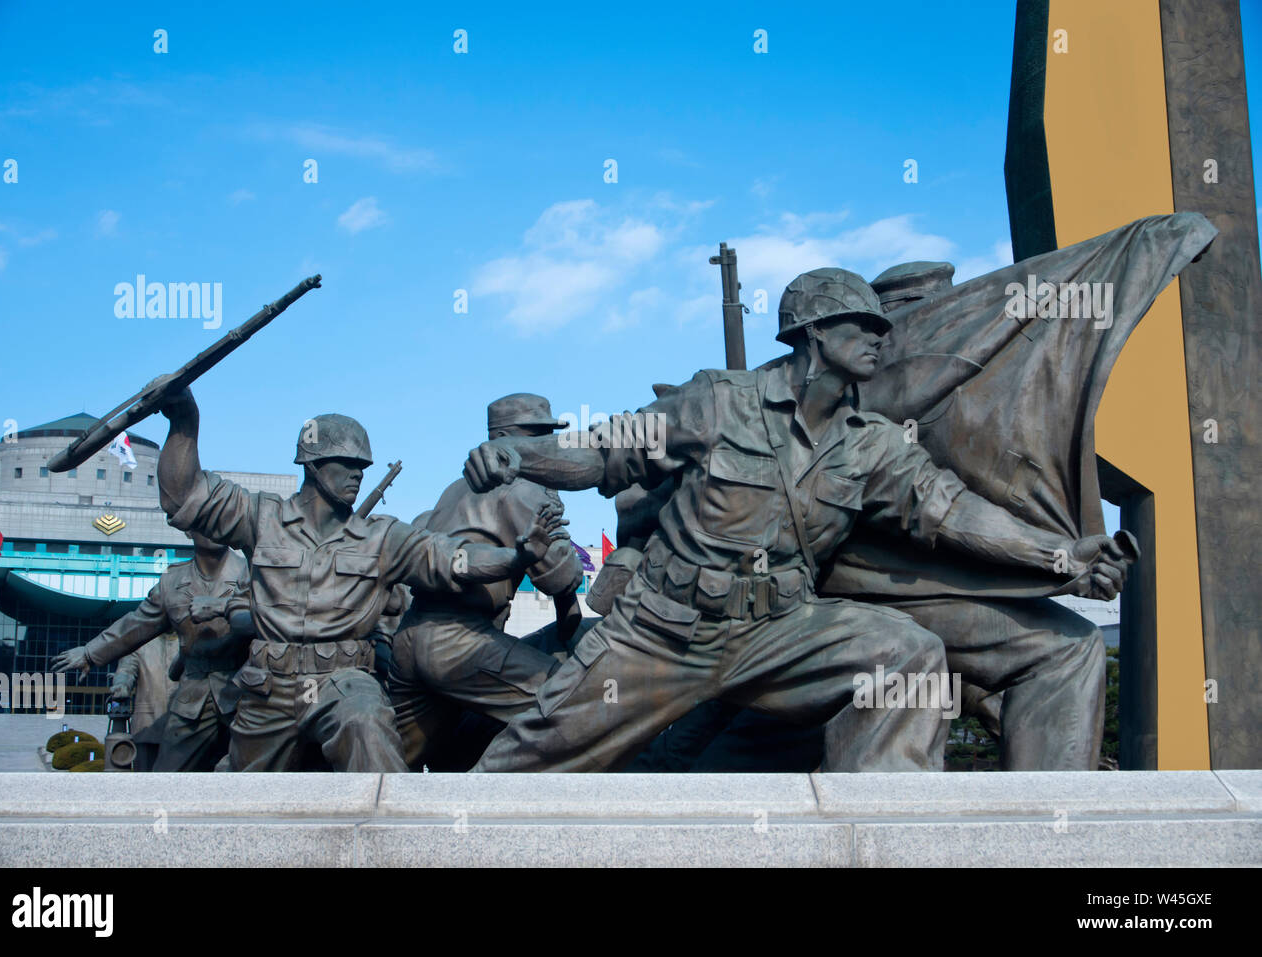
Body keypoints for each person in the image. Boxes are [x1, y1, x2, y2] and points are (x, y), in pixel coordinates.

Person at [463, 267, 1134, 772]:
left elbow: (952, 511)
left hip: (779, 630)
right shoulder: (718, 402)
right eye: (861, 326)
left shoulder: (869, 441)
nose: (880, 337)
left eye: (881, 326)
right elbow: (602, 449)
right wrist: (521, 455)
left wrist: (1061, 554)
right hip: (663, 631)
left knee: (905, 654)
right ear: (814, 332)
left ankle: (880, 838)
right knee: (521, 769)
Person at [155, 391, 566, 771]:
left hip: (344, 682)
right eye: (348, 465)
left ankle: (388, 842)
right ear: (313, 465)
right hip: (268, 691)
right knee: (242, 804)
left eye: (363, 467)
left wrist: (515, 557)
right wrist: (184, 424)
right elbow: (184, 498)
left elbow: (450, 559)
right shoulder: (262, 517)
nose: (358, 475)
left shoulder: (381, 537)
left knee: (370, 729)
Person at [386, 393, 585, 769]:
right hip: (459, 642)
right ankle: (484, 799)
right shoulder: (523, 488)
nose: (547, 446)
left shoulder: (453, 488)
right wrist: (553, 502)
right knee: (575, 703)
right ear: (506, 437)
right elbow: (561, 577)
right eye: (537, 435)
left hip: (412, 637)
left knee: (398, 767)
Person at [52, 530, 251, 771]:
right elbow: (138, 623)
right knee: (165, 775)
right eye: (203, 522)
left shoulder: (252, 572)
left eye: (218, 521)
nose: (212, 529)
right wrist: (90, 653)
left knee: (256, 776)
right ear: (189, 530)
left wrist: (224, 606)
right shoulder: (172, 580)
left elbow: (277, 617)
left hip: (244, 691)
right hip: (193, 693)